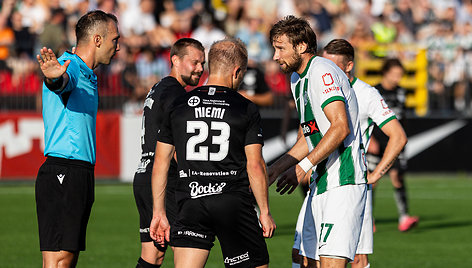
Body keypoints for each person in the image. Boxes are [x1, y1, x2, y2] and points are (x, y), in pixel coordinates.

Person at [149, 38, 276, 268]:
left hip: (190, 202)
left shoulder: (178, 105)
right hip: (232, 203)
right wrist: (264, 211)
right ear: (237, 72)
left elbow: (161, 162)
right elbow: (255, 165)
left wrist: (159, 213)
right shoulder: (245, 107)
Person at [289, 38, 408, 268]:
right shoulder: (317, 84)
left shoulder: (366, 94)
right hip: (320, 183)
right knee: (301, 255)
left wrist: (375, 175)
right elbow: (307, 131)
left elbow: (398, 136)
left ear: (349, 66)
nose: (326, 69)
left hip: (350, 183)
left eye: (333, 65)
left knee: (357, 259)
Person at [268, 16, 367, 268]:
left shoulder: (322, 71)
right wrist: (273, 171)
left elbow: (340, 127)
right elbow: (311, 136)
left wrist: (302, 166)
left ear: (301, 46)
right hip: (320, 184)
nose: (275, 56)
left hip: (343, 183)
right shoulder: (296, 79)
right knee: (304, 261)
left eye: (280, 48)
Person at [35, 10, 120, 268]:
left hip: (75, 173)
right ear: (97, 39)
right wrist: (54, 78)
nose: (117, 47)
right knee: (61, 261)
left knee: (63, 260)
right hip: (65, 170)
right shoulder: (69, 66)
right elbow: (61, 82)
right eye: (114, 40)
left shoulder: (86, 71)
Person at [133, 38, 205, 268]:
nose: (200, 69)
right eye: (194, 63)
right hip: (165, 180)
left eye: (202, 63)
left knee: (153, 254)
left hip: (145, 175)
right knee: (187, 250)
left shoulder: (159, 87)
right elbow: (177, 145)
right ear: (175, 60)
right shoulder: (176, 94)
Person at [369, 58, 419, 232]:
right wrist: (370, 140)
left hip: (394, 142)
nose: (398, 78)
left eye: (400, 75)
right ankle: (368, 218)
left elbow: (402, 117)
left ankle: (404, 217)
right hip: (377, 141)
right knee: (371, 180)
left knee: (397, 177)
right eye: (395, 74)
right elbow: (366, 118)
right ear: (386, 73)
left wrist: (402, 138)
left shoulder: (401, 92)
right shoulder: (373, 91)